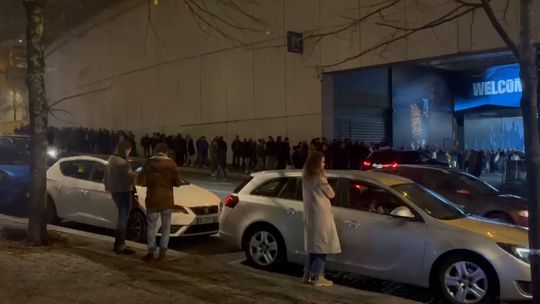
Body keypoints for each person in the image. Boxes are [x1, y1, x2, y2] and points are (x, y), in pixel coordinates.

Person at [302, 151, 341, 287]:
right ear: (317, 164)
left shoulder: (306, 177)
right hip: (321, 216)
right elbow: (331, 194)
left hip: (311, 215)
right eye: (322, 162)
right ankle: (318, 276)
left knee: (313, 246)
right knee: (321, 246)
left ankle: (307, 274)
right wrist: (326, 179)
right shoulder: (320, 179)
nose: (324, 164)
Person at [138, 143, 181, 262]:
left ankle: (151, 251)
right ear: (166, 152)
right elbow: (177, 182)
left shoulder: (148, 163)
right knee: (166, 227)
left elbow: (141, 180)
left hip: (152, 199)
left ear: (156, 151)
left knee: (151, 226)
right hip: (166, 200)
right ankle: (162, 252)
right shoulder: (171, 164)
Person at [104, 141, 136, 255]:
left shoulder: (110, 160)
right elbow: (130, 179)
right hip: (124, 191)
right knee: (123, 218)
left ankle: (117, 244)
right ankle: (120, 245)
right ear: (125, 150)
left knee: (121, 217)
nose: (129, 152)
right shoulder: (124, 163)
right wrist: (134, 174)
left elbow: (105, 177)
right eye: (129, 150)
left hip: (114, 191)